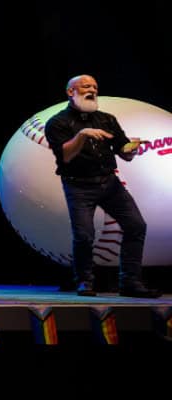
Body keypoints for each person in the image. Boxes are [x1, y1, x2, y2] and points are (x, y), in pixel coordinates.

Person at [44, 75, 160, 298]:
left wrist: (131, 148)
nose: (92, 90)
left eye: (95, 87)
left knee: (136, 226)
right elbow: (65, 156)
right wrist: (81, 135)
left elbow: (123, 152)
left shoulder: (107, 119)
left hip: (109, 183)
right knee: (84, 235)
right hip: (79, 186)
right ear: (71, 92)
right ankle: (85, 282)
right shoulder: (58, 122)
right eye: (86, 86)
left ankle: (130, 281)